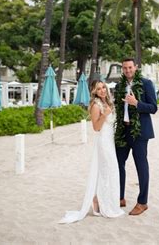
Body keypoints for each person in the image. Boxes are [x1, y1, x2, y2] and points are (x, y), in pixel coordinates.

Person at [59, 81, 124, 224]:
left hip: (111, 142)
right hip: (103, 142)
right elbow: (96, 127)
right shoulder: (96, 105)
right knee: (107, 172)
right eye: (98, 89)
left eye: (103, 88)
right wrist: (104, 115)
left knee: (110, 172)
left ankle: (102, 200)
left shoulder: (108, 102)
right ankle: (97, 201)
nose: (102, 91)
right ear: (94, 91)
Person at [114, 58, 157, 216]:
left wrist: (136, 103)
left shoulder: (146, 83)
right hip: (123, 131)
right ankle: (120, 197)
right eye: (124, 68)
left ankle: (142, 202)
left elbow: (153, 108)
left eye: (130, 67)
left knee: (141, 165)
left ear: (136, 67)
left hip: (139, 132)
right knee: (118, 163)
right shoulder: (119, 86)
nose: (127, 70)